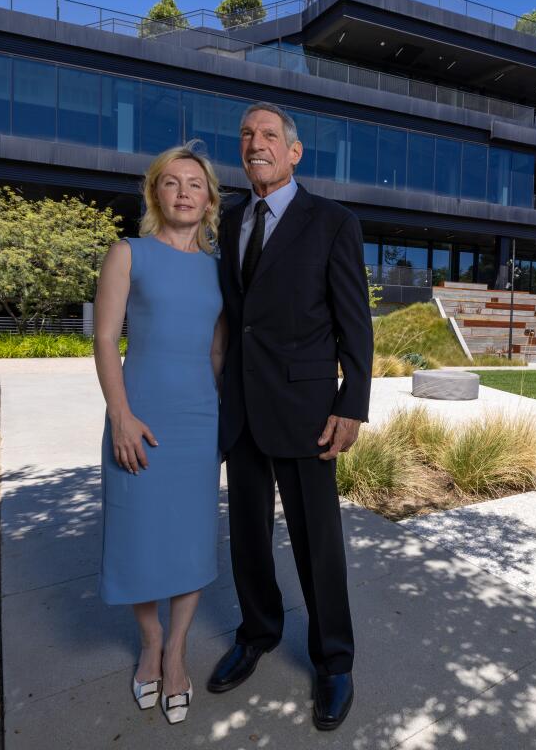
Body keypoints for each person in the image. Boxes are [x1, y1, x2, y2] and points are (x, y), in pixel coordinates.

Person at [207, 102, 373, 731]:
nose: (257, 143)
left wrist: (351, 404)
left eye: (269, 135)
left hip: (307, 409)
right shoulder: (229, 220)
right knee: (247, 533)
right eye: (247, 134)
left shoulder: (331, 222)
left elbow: (354, 321)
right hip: (242, 406)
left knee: (317, 543)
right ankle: (258, 632)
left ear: (294, 152)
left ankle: (334, 661)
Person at [93, 142, 227, 725]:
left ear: (209, 199)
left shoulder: (220, 269)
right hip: (139, 415)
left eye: (194, 184)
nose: (182, 193)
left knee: (192, 536)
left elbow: (219, 346)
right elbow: (103, 340)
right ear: (155, 193)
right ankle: (150, 641)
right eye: (171, 183)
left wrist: (211, 402)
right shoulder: (128, 253)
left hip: (199, 419)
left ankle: (177, 651)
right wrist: (120, 414)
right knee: (140, 533)